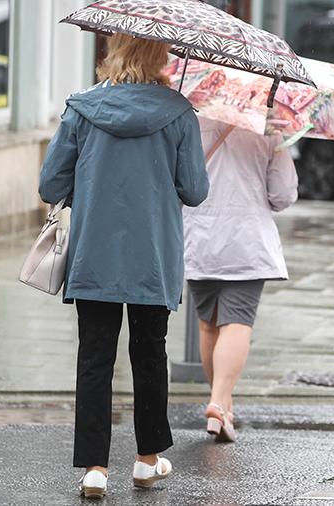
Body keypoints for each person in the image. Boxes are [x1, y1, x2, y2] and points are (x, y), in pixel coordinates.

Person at [38, 33, 209, 499]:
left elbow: (50, 182)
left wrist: (88, 183)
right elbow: (195, 190)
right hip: (152, 256)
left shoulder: (82, 109)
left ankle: (94, 468)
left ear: (113, 53)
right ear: (160, 58)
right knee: (149, 356)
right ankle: (147, 460)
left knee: (95, 358)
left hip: (95, 254)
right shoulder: (178, 114)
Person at [183, 117, 298, 443]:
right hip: (246, 242)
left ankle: (223, 406)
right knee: (237, 321)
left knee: (208, 324)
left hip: (198, 237)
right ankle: (219, 403)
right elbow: (283, 194)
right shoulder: (268, 129)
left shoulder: (191, 122)